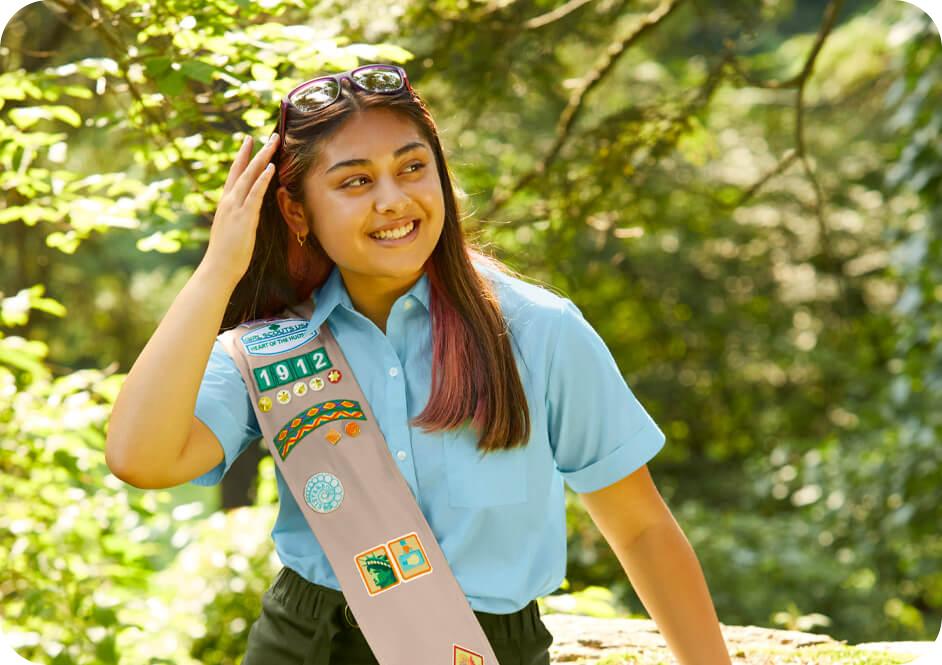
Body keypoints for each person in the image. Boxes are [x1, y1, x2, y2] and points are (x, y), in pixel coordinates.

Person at [105, 64, 731, 664]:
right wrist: (219, 269)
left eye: (412, 168)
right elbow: (141, 459)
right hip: (305, 644)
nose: (393, 200)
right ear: (297, 211)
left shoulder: (539, 331)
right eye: (355, 181)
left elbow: (642, 529)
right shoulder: (275, 349)